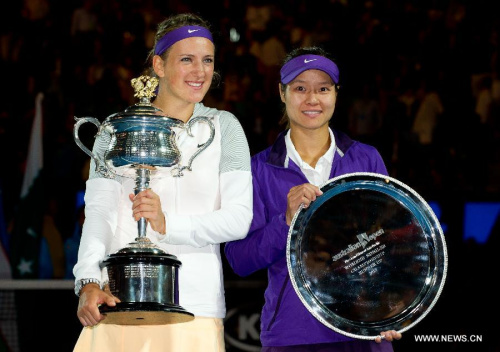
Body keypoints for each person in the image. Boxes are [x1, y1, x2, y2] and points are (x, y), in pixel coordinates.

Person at [72, 13, 253, 352]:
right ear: (158, 65)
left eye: (207, 60)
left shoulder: (225, 128)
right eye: (187, 59)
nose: (200, 71)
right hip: (118, 299)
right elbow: (99, 215)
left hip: (193, 308)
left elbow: (239, 219)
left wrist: (168, 224)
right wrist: (88, 281)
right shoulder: (115, 131)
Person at [224, 46, 402, 351]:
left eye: (323, 89)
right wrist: (285, 222)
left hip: (364, 333)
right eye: (300, 88)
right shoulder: (257, 170)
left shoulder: (366, 159)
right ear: (282, 93)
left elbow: (395, 245)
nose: (312, 99)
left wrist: (392, 306)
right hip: (293, 335)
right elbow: (239, 260)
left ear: (335, 94)